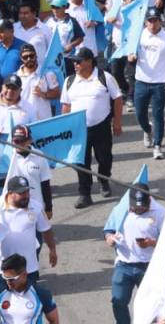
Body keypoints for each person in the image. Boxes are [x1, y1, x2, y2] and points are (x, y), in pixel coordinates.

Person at [61, 47, 123, 208]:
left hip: (101, 126)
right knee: (81, 162)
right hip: (78, 129)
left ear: (89, 61)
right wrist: (65, 128)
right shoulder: (69, 81)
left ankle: (104, 179)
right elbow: (66, 105)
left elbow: (117, 99)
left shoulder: (104, 77)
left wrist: (117, 122)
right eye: (74, 62)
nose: (75, 64)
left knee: (105, 158)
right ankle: (85, 192)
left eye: (79, 61)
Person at [106, 183, 165, 324]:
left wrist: (151, 242)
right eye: (135, 207)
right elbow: (109, 229)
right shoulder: (120, 209)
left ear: (149, 199)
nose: (139, 209)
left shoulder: (161, 212)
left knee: (152, 306)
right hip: (124, 264)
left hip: (149, 267)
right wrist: (109, 238)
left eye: (142, 206)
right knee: (118, 301)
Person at [0, 176, 58, 290]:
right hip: (3, 269)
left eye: (27, 191)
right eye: (22, 193)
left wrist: (52, 249)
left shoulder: (36, 206)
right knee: (5, 303)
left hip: (29, 268)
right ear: (10, 193)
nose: (26, 196)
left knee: (29, 302)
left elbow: (46, 230)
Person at [132, 7, 165, 160]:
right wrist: (130, 56)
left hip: (160, 83)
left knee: (158, 114)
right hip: (141, 80)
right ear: (145, 22)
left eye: (155, 20)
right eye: (150, 21)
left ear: (160, 21)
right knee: (140, 114)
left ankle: (158, 145)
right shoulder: (138, 36)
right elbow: (129, 51)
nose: (153, 24)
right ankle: (147, 130)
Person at [0, 253, 61, 324]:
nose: (8, 282)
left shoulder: (42, 294)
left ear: (24, 274)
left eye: (12, 279)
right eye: (5, 278)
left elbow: (54, 321)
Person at [8, 125, 54, 212]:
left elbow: (45, 184)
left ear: (30, 140)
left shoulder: (40, 156)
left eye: (22, 141)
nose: (19, 144)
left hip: (37, 207)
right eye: (16, 141)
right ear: (11, 141)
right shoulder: (7, 157)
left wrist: (49, 207)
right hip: (15, 208)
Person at [15, 43, 61, 122]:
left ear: (36, 55)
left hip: (43, 119)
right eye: (25, 57)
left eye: (31, 56)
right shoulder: (16, 77)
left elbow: (57, 93)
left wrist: (43, 94)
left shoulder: (47, 73)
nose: (29, 59)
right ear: (21, 59)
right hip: (24, 120)